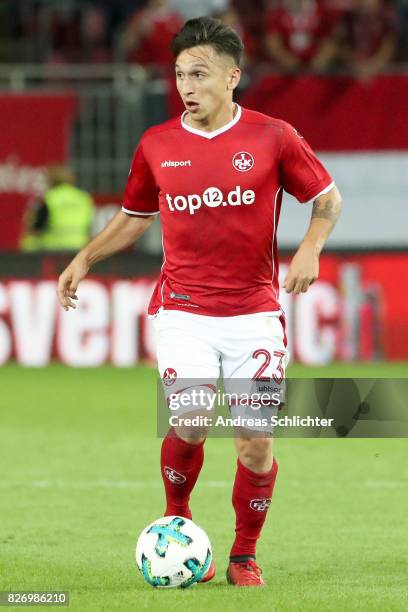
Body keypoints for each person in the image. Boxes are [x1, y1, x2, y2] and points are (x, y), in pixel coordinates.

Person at [57, 16, 342, 586]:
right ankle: (178, 519)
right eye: (181, 73)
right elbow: (134, 218)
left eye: (200, 73)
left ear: (233, 76)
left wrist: (310, 249)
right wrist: (85, 257)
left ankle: (243, 555)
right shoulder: (158, 144)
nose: (187, 85)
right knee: (189, 418)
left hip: (255, 314)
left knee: (255, 440)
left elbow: (327, 200)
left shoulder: (274, 136)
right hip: (184, 309)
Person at [21, 165, 94, 252]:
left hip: (53, 247)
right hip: (79, 245)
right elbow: (90, 225)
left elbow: (38, 226)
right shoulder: (83, 197)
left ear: (51, 180)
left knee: (30, 241)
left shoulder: (50, 197)